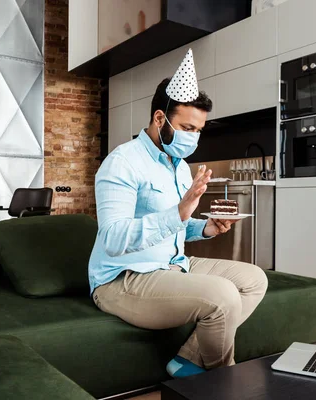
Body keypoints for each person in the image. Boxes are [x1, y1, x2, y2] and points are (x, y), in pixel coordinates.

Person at [88, 49, 268, 378]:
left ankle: (189, 361)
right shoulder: (123, 162)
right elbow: (113, 239)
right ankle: (224, 384)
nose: (193, 137)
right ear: (160, 118)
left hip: (172, 265)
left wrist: (206, 228)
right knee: (223, 295)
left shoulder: (181, 167)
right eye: (187, 127)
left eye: (198, 130)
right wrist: (180, 210)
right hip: (124, 278)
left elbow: (176, 229)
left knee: (254, 280)